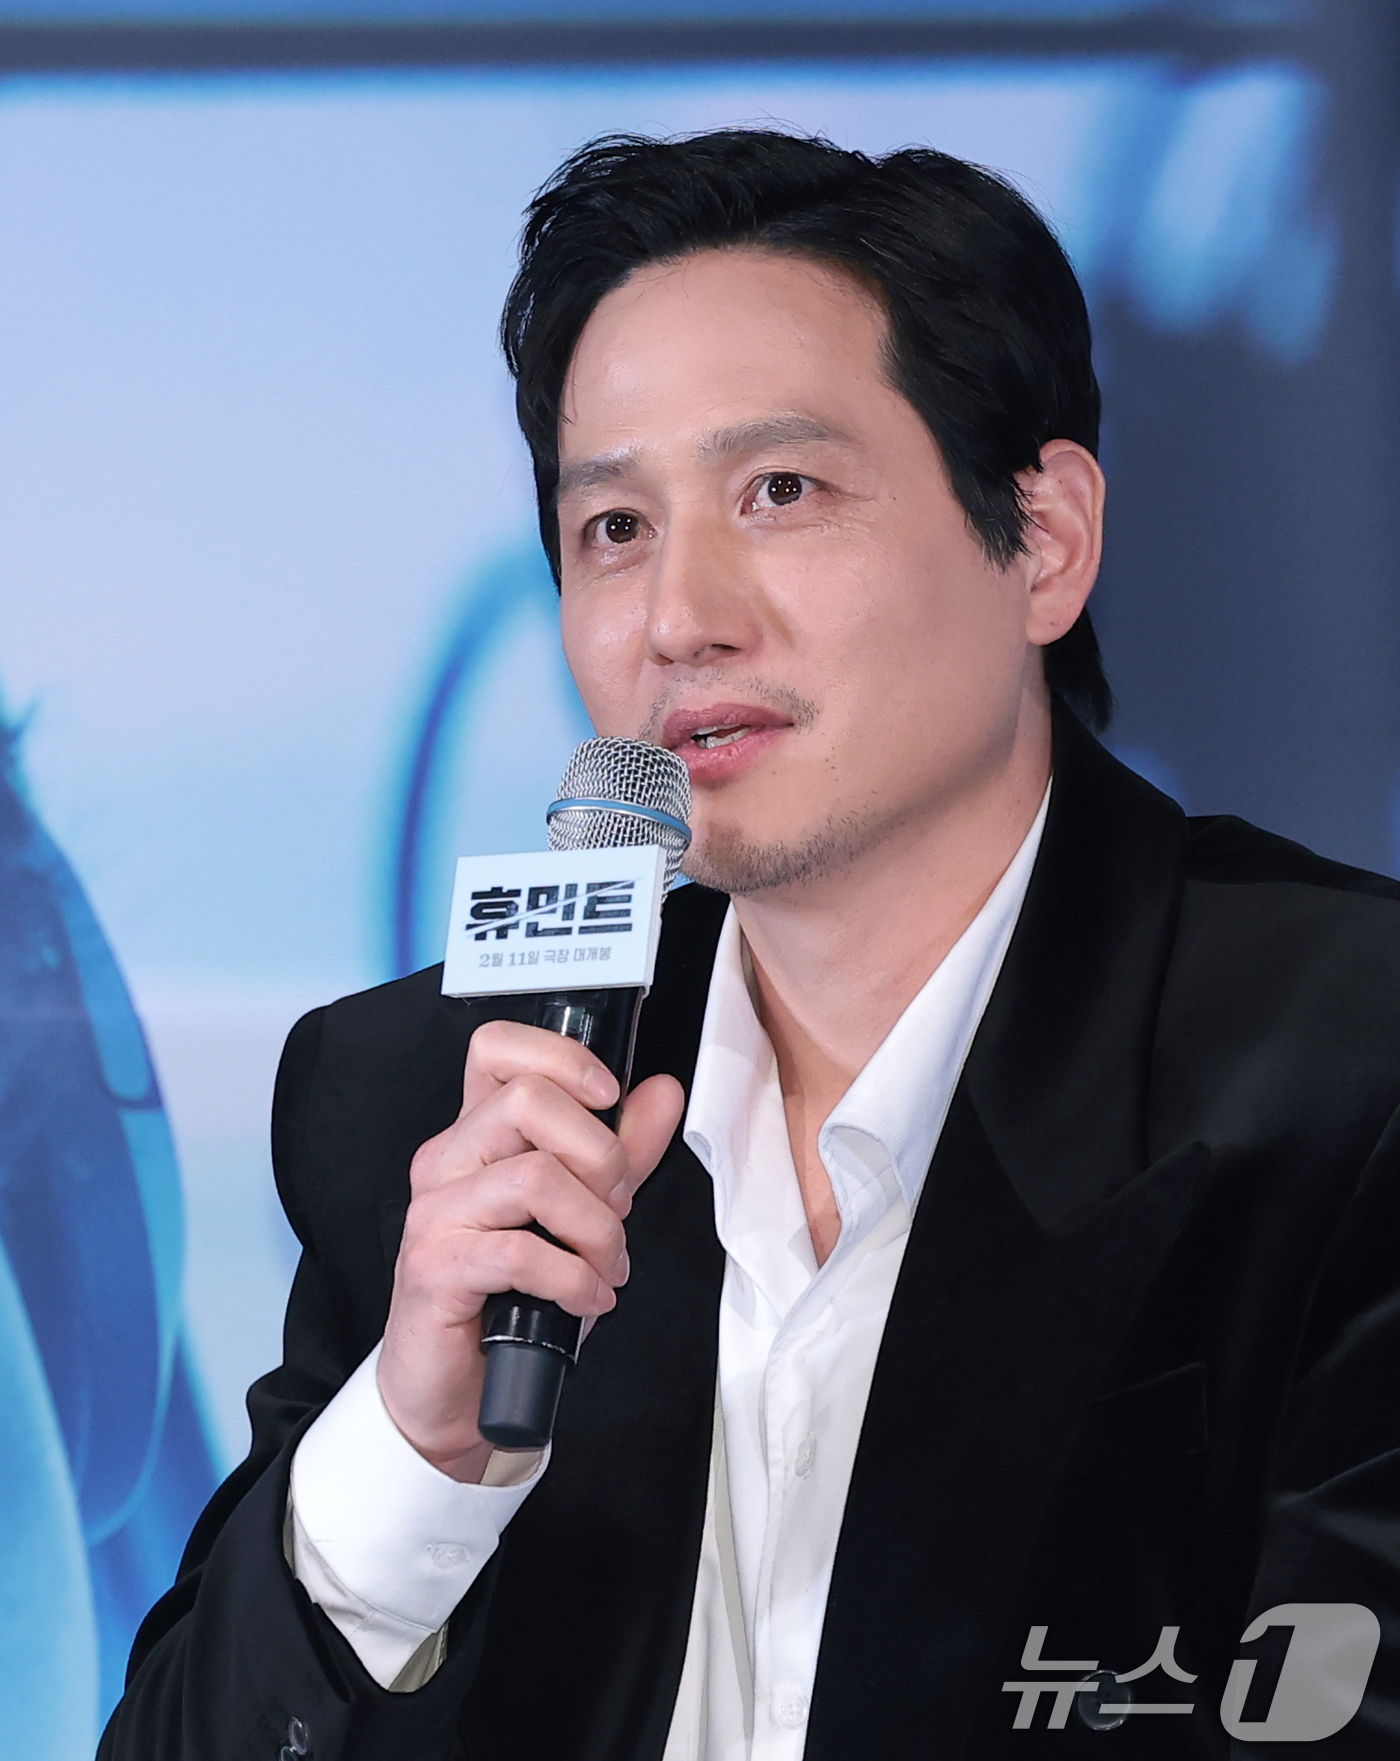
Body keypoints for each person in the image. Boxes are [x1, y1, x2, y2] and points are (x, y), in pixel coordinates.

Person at [101, 130, 1400, 1760]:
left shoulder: (1348, 1069)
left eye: (780, 492)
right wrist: (413, 1459)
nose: (678, 617)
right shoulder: (435, 1105)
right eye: (613, 528)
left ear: (1044, 539)